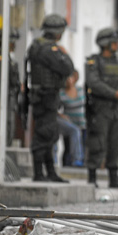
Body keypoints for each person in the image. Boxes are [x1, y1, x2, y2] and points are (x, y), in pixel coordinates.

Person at [26, 14, 74, 182]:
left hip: (42, 96)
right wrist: (64, 53)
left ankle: (50, 172)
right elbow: (67, 68)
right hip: (47, 97)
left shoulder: (36, 45)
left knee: (49, 134)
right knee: (44, 134)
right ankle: (39, 173)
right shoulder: (49, 50)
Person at [85, 27, 118, 188]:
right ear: (105, 43)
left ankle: (114, 178)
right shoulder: (94, 62)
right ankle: (92, 177)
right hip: (100, 109)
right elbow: (94, 83)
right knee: (97, 143)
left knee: (115, 144)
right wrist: (114, 93)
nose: (116, 45)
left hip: (115, 110)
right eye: (114, 42)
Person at [0, 28, 21, 145]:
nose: (14, 45)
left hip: (8, 99)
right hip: (4, 100)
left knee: (9, 126)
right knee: (5, 126)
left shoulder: (6, 57)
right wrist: (0, 101)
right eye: (12, 42)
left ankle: (5, 147)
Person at [59, 71, 86, 166]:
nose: (69, 80)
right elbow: (55, 108)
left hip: (82, 122)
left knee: (82, 145)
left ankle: (80, 162)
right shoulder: (61, 93)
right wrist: (61, 115)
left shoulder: (81, 90)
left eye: (70, 77)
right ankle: (68, 164)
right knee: (68, 147)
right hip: (69, 123)